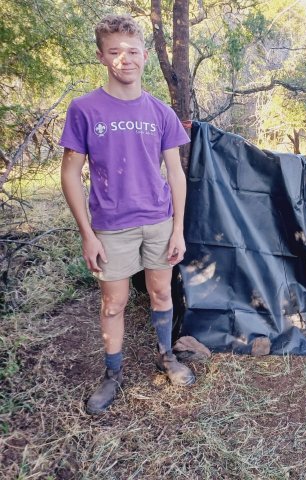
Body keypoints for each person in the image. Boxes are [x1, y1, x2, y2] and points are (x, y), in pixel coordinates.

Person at [60, 14, 195, 415]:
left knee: (161, 293)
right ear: (101, 56)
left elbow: (176, 173)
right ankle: (113, 373)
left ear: (145, 56)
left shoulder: (160, 112)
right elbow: (70, 174)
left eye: (133, 51)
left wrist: (178, 229)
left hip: (158, 221)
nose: (125, 59)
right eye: (115, 51)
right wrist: (87, 234)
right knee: (114, 303)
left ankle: (166, 356)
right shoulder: (84, 109)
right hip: (111, 227)